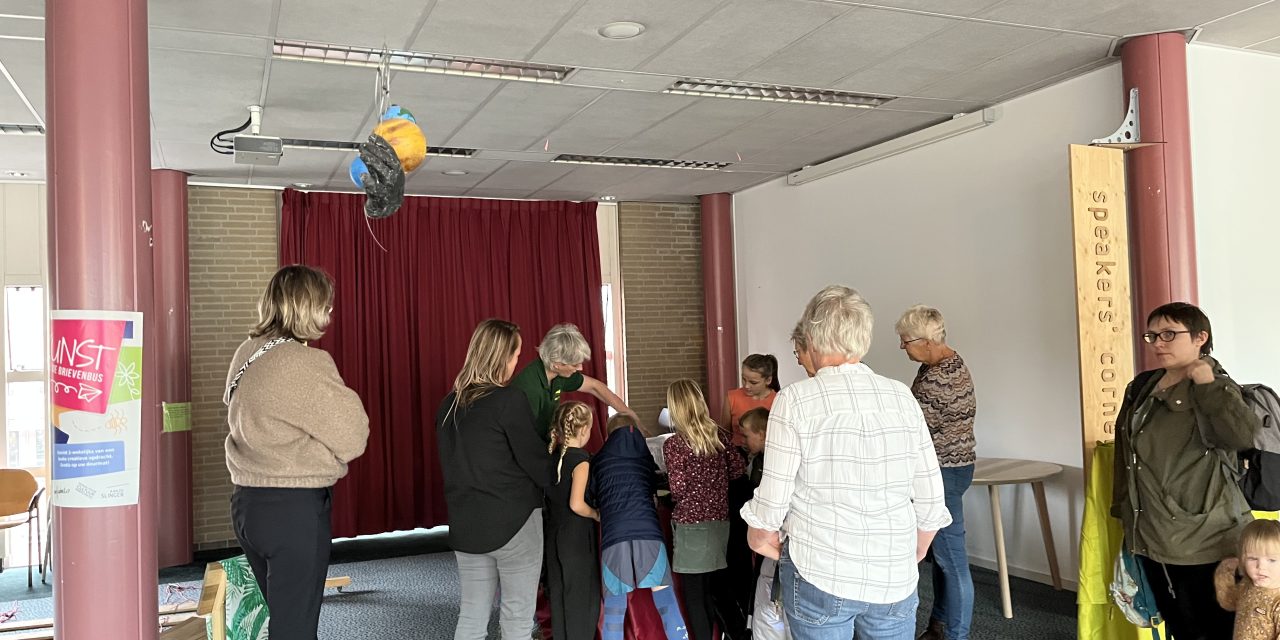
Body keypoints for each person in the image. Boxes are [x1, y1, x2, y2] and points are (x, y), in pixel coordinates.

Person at [742, 285, 951, 640]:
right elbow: (932, 502)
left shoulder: (795, 401)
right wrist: (905, 555)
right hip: (894, 578)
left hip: (819, 573)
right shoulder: (901, 396)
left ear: (811, 337)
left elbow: (771, 505)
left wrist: (761, 539)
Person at [223, 264, 370, 640]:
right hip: (293, 511)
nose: (330, 314)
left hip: (247, 506)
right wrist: (325, 455)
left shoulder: (248, 352)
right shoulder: (305, 363)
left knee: (284, 619)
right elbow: (354, 438)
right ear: (308, 308)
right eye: (326, 305)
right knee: (296, 629)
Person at [1112, 302, 1262, 640]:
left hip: (1205, 535)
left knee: (1216, 629)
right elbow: (1128, 456)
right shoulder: (1142, 386)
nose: (1158, 343)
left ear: (1200, 337)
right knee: (1178, 624)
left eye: (1169, 334)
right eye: (1152, 336)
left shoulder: (1215, 385)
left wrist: (1207, 384)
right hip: (1152, 530)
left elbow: (1241, 436)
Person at [437, 319, 552, 640]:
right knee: (516, 618)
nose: (517, 364)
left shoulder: (449, 405)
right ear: (503, 358)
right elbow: (537, 466)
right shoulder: (508, 400)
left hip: (467, 525)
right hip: (514, 523)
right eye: (516, 356)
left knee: (471, 617)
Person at [895, 305, 977, 640]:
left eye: (906, 341)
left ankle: (957, 634)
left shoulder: (938, 380)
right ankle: (939, 625)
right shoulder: (947, 362)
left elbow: (914, 434)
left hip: (943, 474)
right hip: (957, 468)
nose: (903, 348)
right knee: (943, 556)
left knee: (952, 561)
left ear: (927, 341)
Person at [590, 414, 690, 640]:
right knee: (666, 601)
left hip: (614, 536)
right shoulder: (646, 456)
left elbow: (592, 495)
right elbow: (658, 488)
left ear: (609, 434)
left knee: (615, 608)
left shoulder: (599, 459)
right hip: (649, 533)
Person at [664, 379, 746, 640]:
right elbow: (737, 470)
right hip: (720, 523)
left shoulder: (675, 445)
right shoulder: (720, 436)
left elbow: (677, 489)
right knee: (719, 588)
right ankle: (737, 634)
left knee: (695, 596)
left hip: (691, 526)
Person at [509, 323, 638, 441]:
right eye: (575, 365)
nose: (580, 369)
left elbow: (595, 387)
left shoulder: (558, 374)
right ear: (557, 364)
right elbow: (522, 439)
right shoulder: (529, 389)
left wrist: (630, 416)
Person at [545, 401, 602, 640]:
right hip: (576, 539)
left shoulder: (551, 457)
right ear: (585, 429)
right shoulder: (581, 461)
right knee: (581, 600)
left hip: (553, 535)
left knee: (559, 598)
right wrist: (597, 514)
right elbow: (576, 504)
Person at [1215, 518, 1280, 640]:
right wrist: (1225, 573)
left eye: (1272, 560)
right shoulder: (1247, 584)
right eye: (1253, 558)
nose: (1261, 567)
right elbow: (1228, 602)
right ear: (1243, 559)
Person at [720, 354, 780, 448]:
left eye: (753, 382)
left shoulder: (778, 400)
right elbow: (724, 434)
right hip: (737, 454)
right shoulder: (732, 397)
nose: (746, 386)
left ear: (768, 380)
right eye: (744, 379)